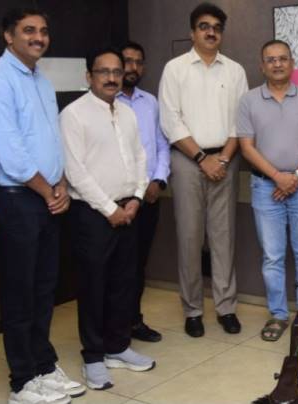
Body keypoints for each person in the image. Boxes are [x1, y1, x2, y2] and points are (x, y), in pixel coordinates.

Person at [0, 8, 83, 403]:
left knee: (43, 288)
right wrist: (48, 190)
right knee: (19, 291)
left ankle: (43, 365)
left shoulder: (41, 80)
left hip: (47, 197)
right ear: (8, 35)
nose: (39, 37)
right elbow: (9, 151)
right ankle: (22, 379)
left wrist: (61, 183)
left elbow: (52, 141)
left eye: (43, 31)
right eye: (29, 30)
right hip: (19, 200)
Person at [61, 47, 155, 391]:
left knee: (123, 283)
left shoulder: (127, 113)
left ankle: (117, 346)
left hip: (128, 210)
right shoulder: (74, 115)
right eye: (104, 72)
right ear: (89, 76)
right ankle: (93, 357)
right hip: (92, 215)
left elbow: (140, 157)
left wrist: (137, 197)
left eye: (117, 71)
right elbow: (75, 171)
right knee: (93, 286)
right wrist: (109, 208)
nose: (112, 78)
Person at [159, 2, 248, 338]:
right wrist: (201, 158)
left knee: (224, 238)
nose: (211, 32)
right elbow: (170, 119)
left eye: (216, 28)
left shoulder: (235, 71)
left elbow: (241, 120)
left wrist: (222, 158)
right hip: (187, 161)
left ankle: (226, 308)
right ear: (192, 32)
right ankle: (193, 310)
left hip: (226, 158)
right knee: (189, 237)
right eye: (204, 26)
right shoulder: (175, 69)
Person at [237, 40, 298, 342]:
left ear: (292, 63)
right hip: (265, 187)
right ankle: (277, 314)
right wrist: (277, 177)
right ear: (262, 66)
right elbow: (246, 147)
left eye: (283, 59)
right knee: (273, 257)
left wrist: (296, 177)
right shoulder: (249, 101)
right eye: (271, 59)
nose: (277, 64)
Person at [117, 40, 170, 343]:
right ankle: (113, 327)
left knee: (138, 265)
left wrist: (158, 181)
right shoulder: (105, 102)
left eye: (138, 62)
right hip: (118, 200)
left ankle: (133, 321)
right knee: (118, 267)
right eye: (127, 61)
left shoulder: (150, 102)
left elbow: (162, 145)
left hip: (149, 197)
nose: (133, 67)